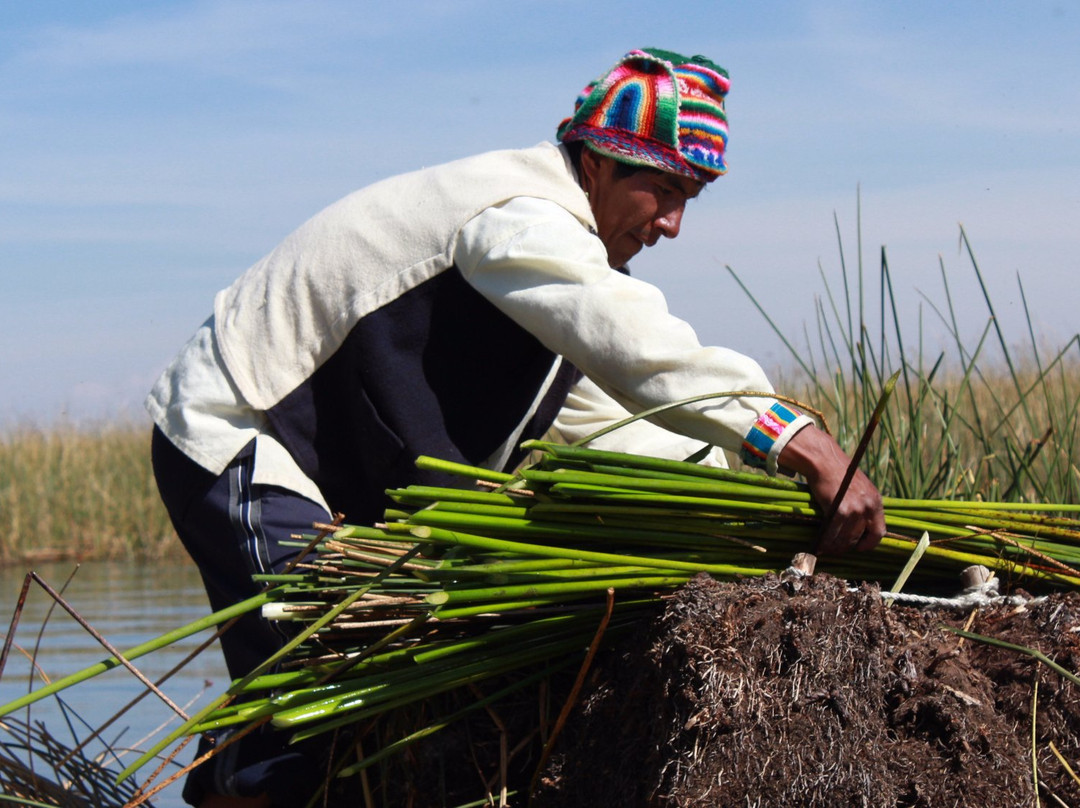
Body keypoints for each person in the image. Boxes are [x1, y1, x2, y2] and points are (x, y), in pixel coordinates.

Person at [148, 47, 885, 807]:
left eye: (689, 198)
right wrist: (797, 441)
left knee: (330, 699)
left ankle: (234, 779)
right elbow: (634, 344)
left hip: (327, 467)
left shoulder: (556, 279)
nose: (671, 224)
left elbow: (619, 419)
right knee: (333, 672)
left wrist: (741, 520)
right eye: (661, 190)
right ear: (597, 164)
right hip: (239, 426)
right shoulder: (522, 217)